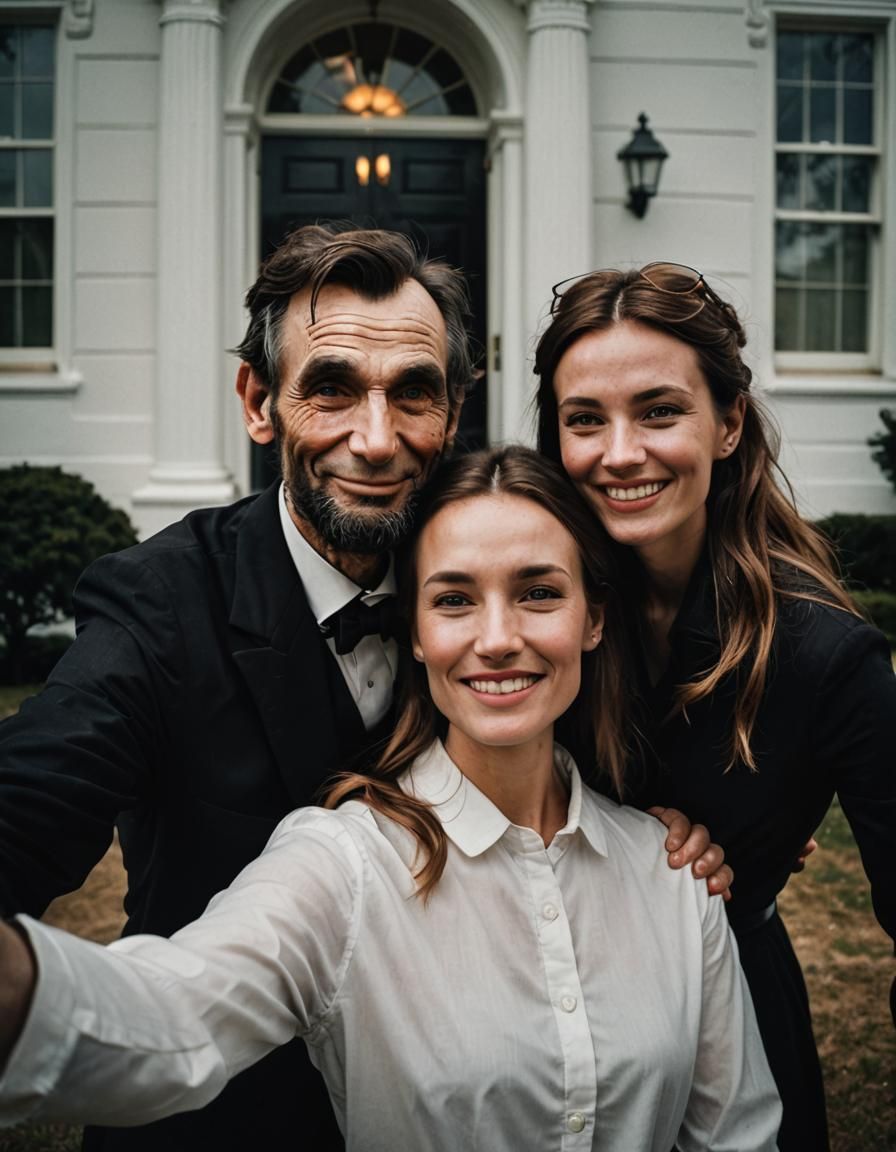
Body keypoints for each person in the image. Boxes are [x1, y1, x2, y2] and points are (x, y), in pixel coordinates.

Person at [0, 229, 727, 1152]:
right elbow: (37, 791)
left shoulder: (506, 591)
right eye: (331, 389)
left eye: (413, 393)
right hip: (217, 1113)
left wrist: (685, 843)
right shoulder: (162, 602)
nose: (376, 441)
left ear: (455, 407)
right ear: (260, 402)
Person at [533, 261, 896, 1152]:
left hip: (726, 1007)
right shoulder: (531, 608)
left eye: (659, 411)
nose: (620, 453)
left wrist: (763, 837)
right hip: (531, 1000)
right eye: (586, 420)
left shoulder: (825, 655)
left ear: (729, 423)